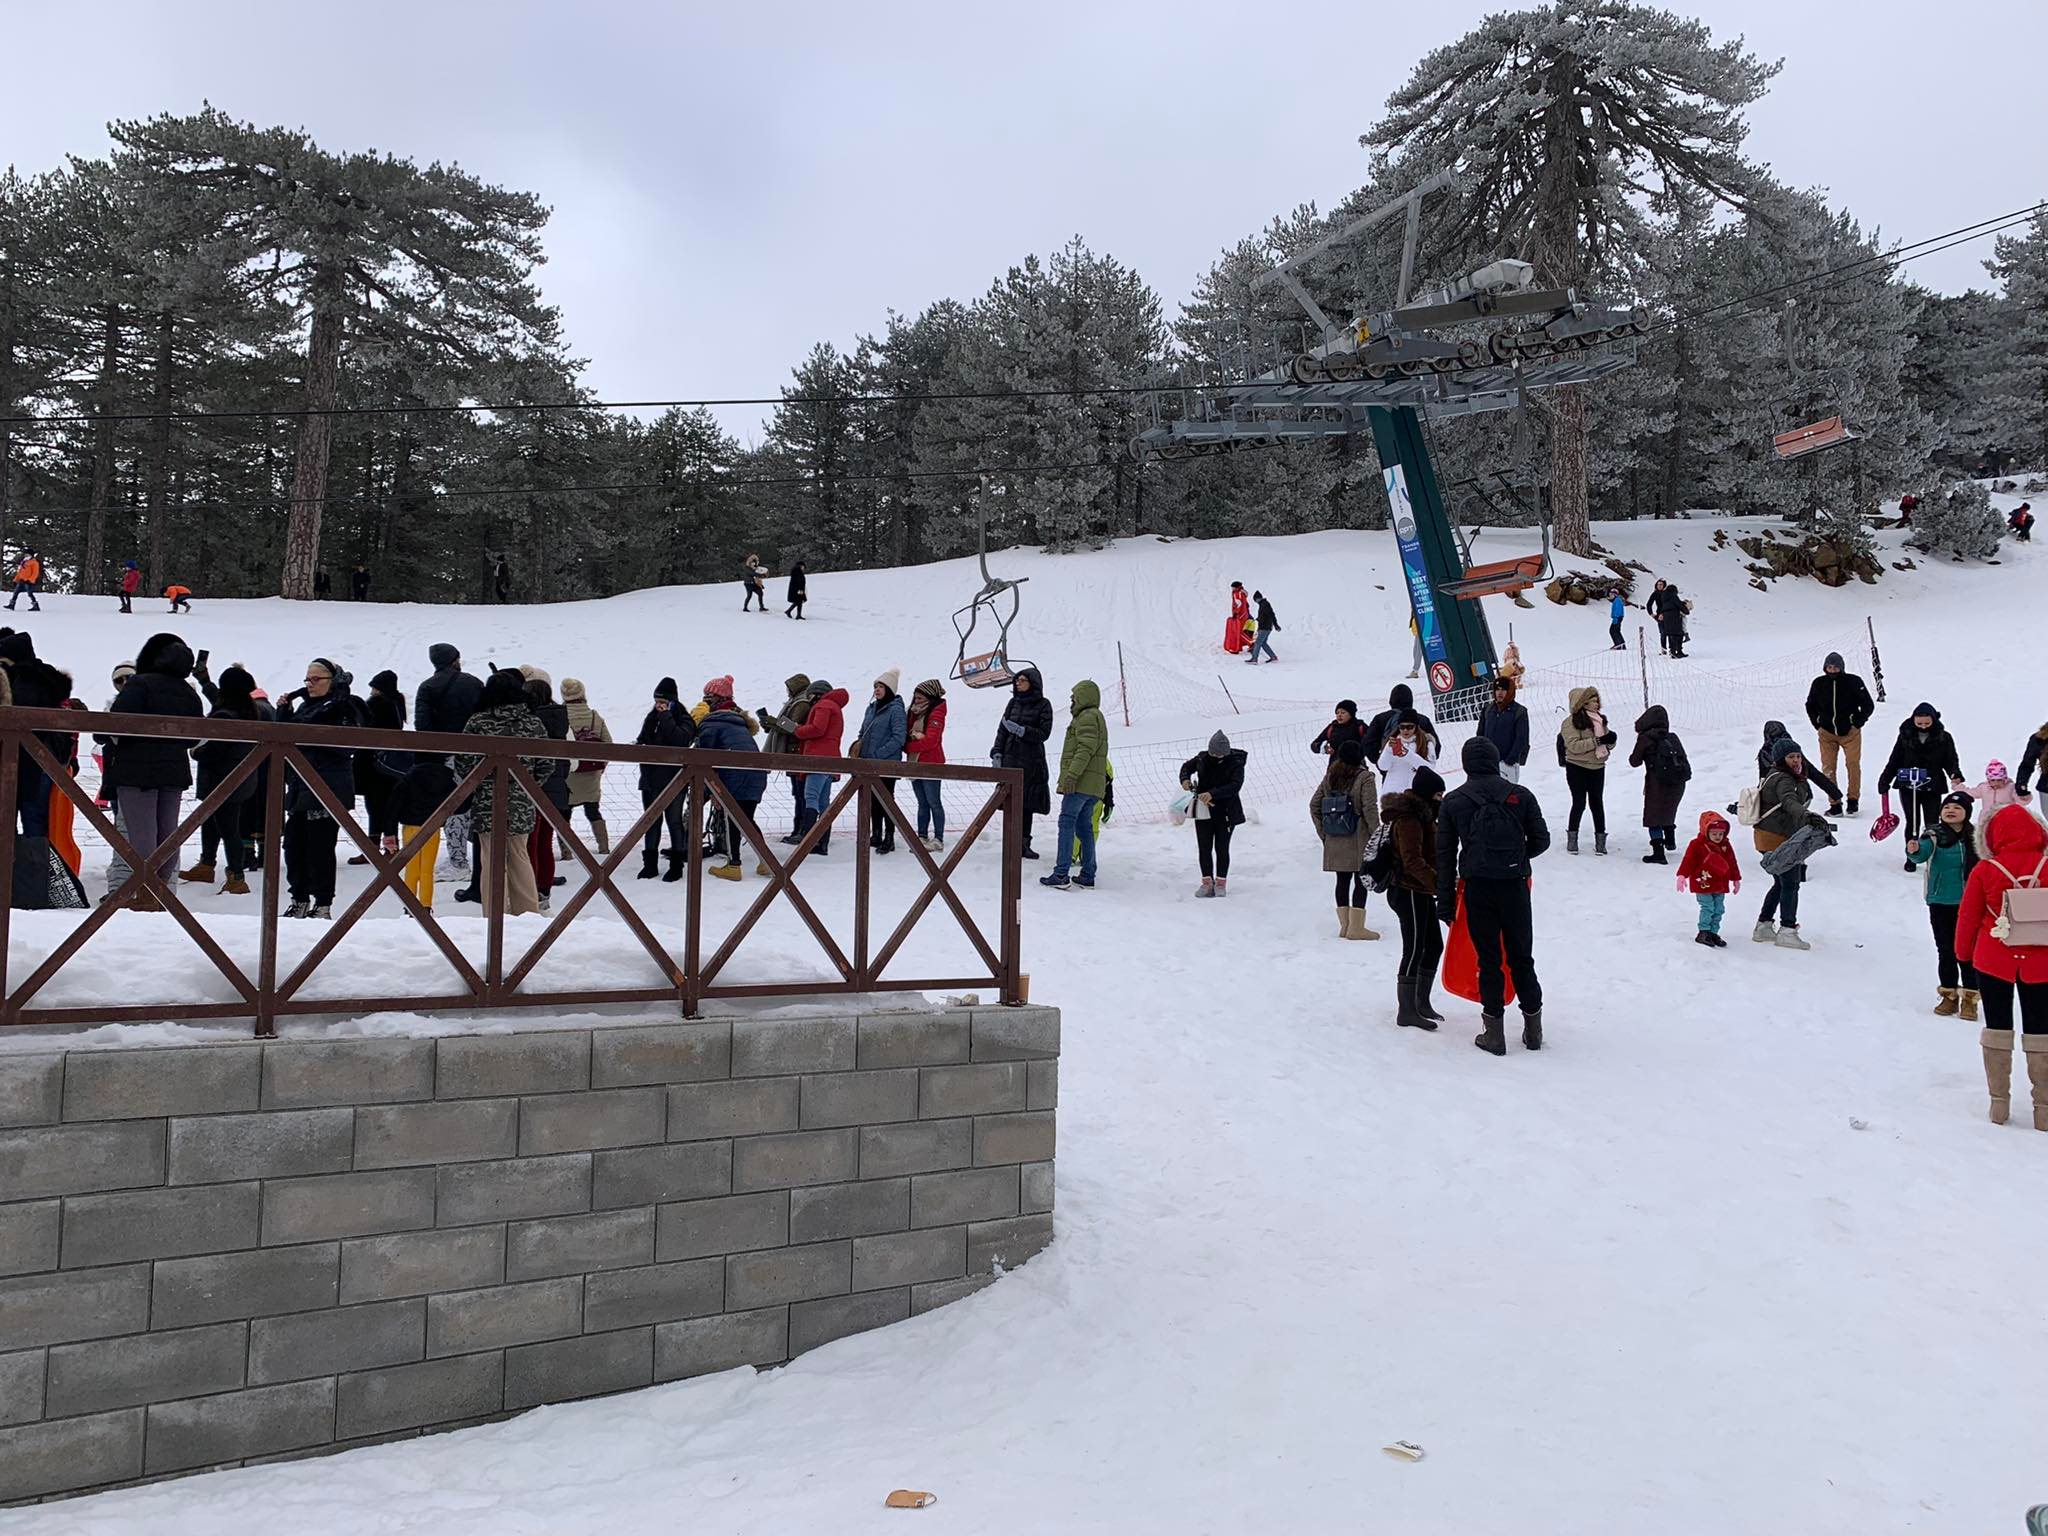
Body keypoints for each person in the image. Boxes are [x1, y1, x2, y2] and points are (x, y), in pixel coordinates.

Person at [1437, 737, 1549, 1054]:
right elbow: (1541, 840)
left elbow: (1444, 857)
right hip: (1514, 885)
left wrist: (1444, 902)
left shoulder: (1454, 801)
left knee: (1488, 960)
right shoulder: (1520, 795)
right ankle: (1533, 1030)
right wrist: (1516, 857)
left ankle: (1494, 1034)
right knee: (1521, 958)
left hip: (1477, 887)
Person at [1954, 803, 2048, 1129]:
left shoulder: (1986, 869)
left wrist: (1963, 955)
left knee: (1997, 1027)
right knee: (2041, 1032)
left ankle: (1999, 1104)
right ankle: (2044, 1109)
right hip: (2042, 963)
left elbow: (1967, 917)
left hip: (1994, 958)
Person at [105, 632, 204, 905]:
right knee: (168, 833)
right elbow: (195, 736)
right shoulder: (187, 692)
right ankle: (159, 892)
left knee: (141, 833)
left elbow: (116, 724)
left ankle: (146, 894)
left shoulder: (140, 684)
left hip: (136, 769)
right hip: (174, 770)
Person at [458, 668, 554, 918]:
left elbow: (464, 764)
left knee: (491, 861)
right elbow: (547, 764)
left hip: (487, 804)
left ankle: (494, 916)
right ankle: (527, 915)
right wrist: (528, 787)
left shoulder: (477, 722)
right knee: (520, 856)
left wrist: (482, 784)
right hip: (522, 803)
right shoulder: (532, 722)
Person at [274, 658, 361, 919]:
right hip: (300, 788)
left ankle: (322, 903)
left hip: (327, 789)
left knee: (320, 849)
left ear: (331, 681)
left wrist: (312, 736)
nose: (309, 685)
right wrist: (283, 713)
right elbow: (285, 739)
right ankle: (298, 899)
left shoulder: (346, 705)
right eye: (307, 680)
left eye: (316, 679)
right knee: (293, 846)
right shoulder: (305, 707)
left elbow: (348, 744)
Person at [181, 665, 262, 896]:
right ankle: (207, 865)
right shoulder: (248, 710)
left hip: (221, 781)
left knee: (228, 829)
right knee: (215, 823)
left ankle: (236, 877)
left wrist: (195, 753)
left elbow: (215, 750)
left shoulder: (225, 715)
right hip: (241, 781)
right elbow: (216, 698)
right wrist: (205, 681)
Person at [1382, 763, 1447, 1026]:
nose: (1442, 799)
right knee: (1414, 948)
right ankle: (1407, 1010)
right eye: (1438, 795)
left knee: (1433, 945)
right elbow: (1412, 860)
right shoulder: (1409, 819)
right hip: (1407, 890)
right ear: (1427, 794)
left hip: (1420, 890)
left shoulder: (1423, 816)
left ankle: (1422, 1002)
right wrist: (1438, 884)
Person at [1750, 737, 1829, 951]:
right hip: (1777, 837)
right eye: (1791, 757)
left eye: (1798, 756)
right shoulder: (1783, 779)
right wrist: (1807, 816)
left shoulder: (1779, 775)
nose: (1796, 760)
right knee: (1791, 883)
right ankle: (1787, 929)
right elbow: (1789, 802)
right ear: (1781, 759)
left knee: (1781, 882)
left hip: (1768, 835)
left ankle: (1764, 925)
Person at [415, 643, 484, 888]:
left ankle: (457, 859)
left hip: (444, 756)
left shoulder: (427, 687)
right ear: (455, 659)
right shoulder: (474, 683)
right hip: (477, 754)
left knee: (454, 806)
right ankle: (482, 856)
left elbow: (422, 726)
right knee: (478, 804)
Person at [1908, 792, 1981, 1019]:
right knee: (1946, 950)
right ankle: (1949, 994)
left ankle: (1970, 997)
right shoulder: (1933, 835)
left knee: (1967, 951)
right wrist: (1913, 850)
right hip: (1940, 901)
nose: (1951, 810)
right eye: (1947, 807)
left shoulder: (1976, 836)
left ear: (1966, 813)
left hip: (1971, 901)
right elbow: (1920, 855)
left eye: (1957, 808)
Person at [1876, 702, 1964, 872]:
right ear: (1913, 720)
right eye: (1920, 723)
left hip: (1933, 784)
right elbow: (1895, 759)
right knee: (1912, 821)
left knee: (1932, 821)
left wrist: (1955, 773)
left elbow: (1951, 759)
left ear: (1933, 720)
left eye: (1927, 723)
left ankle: (1932, 853)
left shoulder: (1944, 737)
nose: (1923, 727)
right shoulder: (1905, 735)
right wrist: (1885, 779)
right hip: (1908, 785)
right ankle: (1912, 855)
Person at [1041, 679, 1109, 890]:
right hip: (1093, 786)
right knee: (1084, 827)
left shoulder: (1087, 717)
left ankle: (1061, 873)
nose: (1071, 701)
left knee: (1067, 823)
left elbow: (1085, 749)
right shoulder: (1094, 716)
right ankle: (1088, 874)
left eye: (1074, 697)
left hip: (1080, 784)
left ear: (1084, 697)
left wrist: (1071, 776)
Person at [695, 683, 768, 879]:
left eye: (707, 697)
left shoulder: (712, 722)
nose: (704, 701)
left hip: (734, 777)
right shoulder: (739, 723)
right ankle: (766, 861)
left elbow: (704, 756)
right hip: (756, 775)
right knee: (747, 819)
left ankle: (733, 864)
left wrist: (710, 789)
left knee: (733, 819)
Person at [1312, 740, 1381, 939]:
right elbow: (1369, 808)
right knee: (1361, 879)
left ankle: (1345, 925)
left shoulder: (1330, 776)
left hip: (1335, 835)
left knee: (1342, 879)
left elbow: (1314, 805)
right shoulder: (1365, 777)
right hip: (1358, 835)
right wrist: (1377, 835)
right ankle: (1357, 928)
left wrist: (1324, 832)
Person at [636, 677, 698, 879]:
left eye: (663, 702)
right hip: (650, 778)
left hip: (674, 780)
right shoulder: (650, 718)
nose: (659, 706)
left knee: (674, 821)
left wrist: (666, 717)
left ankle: (676, 866)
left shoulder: (684, 719)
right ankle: (650, 865)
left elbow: (679, 740)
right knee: (651, 822)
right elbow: (643, 738)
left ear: (672, 701)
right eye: (657, 702)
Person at [522, 667, 572, 910]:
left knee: (530, 842)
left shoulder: (530, 721)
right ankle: (544, 891)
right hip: (557, 790)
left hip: (533, 787)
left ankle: (529, 889)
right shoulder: (561, 718)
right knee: (544, 842)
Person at [1803, 651, 1875, 815]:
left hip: (1850, 733)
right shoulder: (1819, 683)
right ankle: (1835, 803)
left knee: (1853, 765)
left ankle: (1853, 800)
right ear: (1825, 667)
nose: (1832, 670)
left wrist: (1856, 723)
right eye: (1829, 667)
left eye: (1835, 667)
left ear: (1841, 667)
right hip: (1826, 733)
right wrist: (1818, 724)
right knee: (1828, 768)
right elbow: (1810, 705)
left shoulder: (1854, 681)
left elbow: (1867, 705)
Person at [992, 667, 1053, 859]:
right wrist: (997, 752)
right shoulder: (1013, 703)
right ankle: (1010, 842)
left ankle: (1023, 844)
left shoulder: (1044, 704)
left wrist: (1021, 731)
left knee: (1026, 805)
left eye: (1022, 681)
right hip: (1010, 759)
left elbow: (1044, 733)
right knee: (1009, 803)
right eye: (1016, 681)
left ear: (1033, 683)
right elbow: (1002, 729)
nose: (1018, 684)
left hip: (1031, 762)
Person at [1179, 730, 1245, 898]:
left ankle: (1221, 881)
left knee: (1222, 848)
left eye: (1219, 754)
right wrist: (1185, 779)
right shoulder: (1202, 758)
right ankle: (1207, 882)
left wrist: (1213, 794)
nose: (1215, 756)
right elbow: (1186, 767)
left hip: (1227, 812)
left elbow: (1234, 786)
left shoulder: (1236, 763)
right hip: (1204, 811)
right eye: (1212, 753)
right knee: (1204, 847)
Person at [789, 679, 848, 854]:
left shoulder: (823, 705)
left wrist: (798, 730)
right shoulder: (834, 706)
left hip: (818, 758)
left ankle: (808, 839)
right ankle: (822, 843)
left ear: (816, 694)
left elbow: (817, 729)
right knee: (823, 802)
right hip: (830, 759)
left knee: (811, 797)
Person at [354, 670, 407, 863]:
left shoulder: (378, 704)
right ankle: (390, 847)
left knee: (375, 807)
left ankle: (374, 848)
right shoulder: (396, 704)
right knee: (387, 807)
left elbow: (365, 730)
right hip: (389, 764)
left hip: (373, 765)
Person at [1556, 685, 1617, 854]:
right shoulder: (1570, 723)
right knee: (1579, 803)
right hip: (1577, 767)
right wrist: (1598, 741)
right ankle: (1572, 839)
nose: (1596, 704)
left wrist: (1611, 740)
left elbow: (1606, 742)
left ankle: (1600, 842)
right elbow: (1574, 746)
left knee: (1597, 803)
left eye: (1597, 700)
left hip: (1597, 766)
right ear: (1582, 704)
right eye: (1592, 701)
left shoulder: (1600, 720)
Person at [1629, 704, 1690, 864]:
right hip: (1678, 782)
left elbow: (1634, 761)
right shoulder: (1673, 737)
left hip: (1657, 783)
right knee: (1669, 810)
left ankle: (1658, 853)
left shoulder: (1646, 739)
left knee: (1653, 817)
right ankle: (1670, 841)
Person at [856, 669, 908, 854]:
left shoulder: (896, 709)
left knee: (886, 800)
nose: (877, 690)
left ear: (889, 689)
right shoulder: (871, 708)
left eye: (881, 686)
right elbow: (863, 732)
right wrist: (859, 749)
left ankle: (889, 837)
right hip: (869, 763)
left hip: (886, 764)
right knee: (872, 801)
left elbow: (898, 738)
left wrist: (878, 755)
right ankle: (876, 834)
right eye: (875, 686)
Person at [560, 678, 613, 856]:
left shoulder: (561, 716)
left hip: (568, 773)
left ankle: (567, 852)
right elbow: (608, 744)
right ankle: (604, 847)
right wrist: (601, 766)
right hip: (592, 773)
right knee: (593, 810)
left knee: (564, 814)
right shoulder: (594, 716)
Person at [762, 675, 818, 840]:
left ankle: (800, 830)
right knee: (800, 793)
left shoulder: (800, 703)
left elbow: (793, 727)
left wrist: (774, 723)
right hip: (795, 752)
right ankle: (799, 830)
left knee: (800, 793)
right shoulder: (798, 701)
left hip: (796, 753)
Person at [1676, 811, 1741, 948]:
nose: (1718, 837)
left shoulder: (1725, 845)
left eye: (1720, 834)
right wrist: (1682, 875)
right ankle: (1703, 931)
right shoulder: (1696, 845)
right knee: (1707, 907)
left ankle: (1713, 932)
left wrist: (1735, 879)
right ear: (1706, 831)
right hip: (1703, 882)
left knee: (1719, 908)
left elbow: (1732, 862)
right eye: (1714, 834)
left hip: (1720, 882)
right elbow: (1688, 861)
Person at [904, 680, 948, 851]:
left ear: (929, 697)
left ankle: (938, 838)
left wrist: (910, 746)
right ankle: (921, 836)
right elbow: (907, 736)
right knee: (922, 802)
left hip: (931, 763)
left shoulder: (936, 713)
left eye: (920, 697)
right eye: (915, 697)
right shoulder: (912, 713)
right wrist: (914, 739)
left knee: (933, 802)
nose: (916, 700)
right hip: (915, 762)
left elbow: (931, 740)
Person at [1473, 677, 1530, 784]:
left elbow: (1521, 739)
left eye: (1504, 690)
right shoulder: (1488, 710)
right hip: (1488, 763)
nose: (1500, 693)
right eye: (1497, 689)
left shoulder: (1519, 711)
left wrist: (1510, 760)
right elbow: (1480, 735)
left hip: (1508, 764)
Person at [1375, 711, 1440, 798]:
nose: (1405, 730)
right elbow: (1383, 767)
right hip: (1393, 794)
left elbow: (1429, 768)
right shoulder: (1393, 742)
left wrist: (1407, 754)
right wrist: (1387, 751)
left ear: (1416, 727)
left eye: (1409, 727)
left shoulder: (1426, 742)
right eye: (1402, 727)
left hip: (1416, 794)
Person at [1362, 684, 1432, 762]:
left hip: (1391, 768)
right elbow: (1435, 744)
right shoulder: (1422, 719)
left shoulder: (1381, 718)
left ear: (1391, 700)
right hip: (1419, 767)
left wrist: (1380, 762)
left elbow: (1368, 743)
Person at [1246, 590, 1280, 665]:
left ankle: (1254, 659)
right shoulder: (1263, 604)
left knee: (1258, 642)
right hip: (1266, 627)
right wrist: (1259, 618)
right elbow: (1265, 615)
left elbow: (1271, 615)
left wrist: (1275, 624)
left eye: (1255, 600)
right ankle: (1273, 657)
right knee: (1263, 643)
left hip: (1265, 627)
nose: (1255, 601)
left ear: (1257, 599)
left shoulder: (1265, 604)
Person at [1223, 581, 1250, 655]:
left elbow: (1239, 604)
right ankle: (1239, 646)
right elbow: (1246, 604)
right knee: (1240, 630)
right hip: (1244, 614)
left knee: (1239, 631)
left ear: (1236, 587)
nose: (1232, 589)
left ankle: (1251, 643)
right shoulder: (1242, 593)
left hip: (1240, 615)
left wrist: (1236, 613)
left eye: (1233, 587)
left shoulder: (1237, 593)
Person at [1645, 580, 1672, 654]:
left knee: (1669, 633)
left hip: (1668, 614)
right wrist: (1651, 613)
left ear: (1664, 586)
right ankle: (1663, 649)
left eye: (1661, 584)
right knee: (1662, 633)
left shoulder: (1667, 593)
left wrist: (1663, 614)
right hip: (1659, 615)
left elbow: (1669, 604)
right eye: (1658, 584)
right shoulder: (1655, 594)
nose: (1659, 586)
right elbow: (1649, 604)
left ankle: (1671, 649)